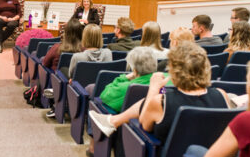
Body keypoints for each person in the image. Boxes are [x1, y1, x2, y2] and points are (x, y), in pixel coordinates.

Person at [89, 41, 231, 145]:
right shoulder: (222, 95)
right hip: (210, 153)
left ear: (174, 70)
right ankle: (111, 121)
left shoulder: (162, 102)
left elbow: (144, 125)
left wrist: (153, 88)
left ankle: (112, 121)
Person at [85, 46, 172, 157]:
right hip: (161, 127)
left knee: (97, 103)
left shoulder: (125, 87)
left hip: (136, 127)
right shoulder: (168, 80)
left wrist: (126, 77)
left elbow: (104, 95)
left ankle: (93, 149)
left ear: (134, 70)